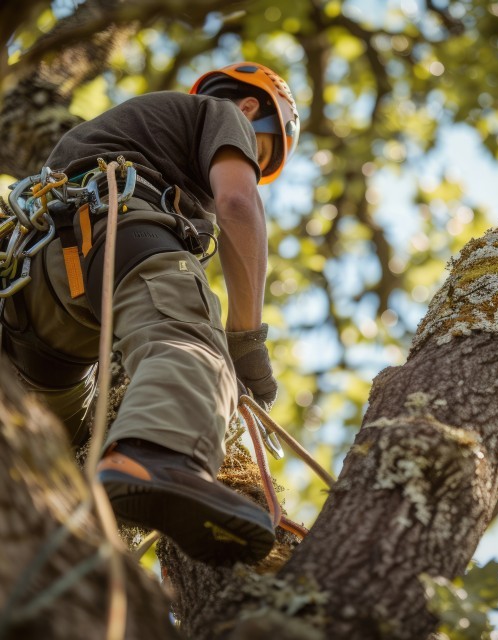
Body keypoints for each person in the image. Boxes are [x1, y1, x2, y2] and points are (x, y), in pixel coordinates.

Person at [1, 62, 300, 564]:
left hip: (32, 289)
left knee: (63, 441)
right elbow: (237, 202)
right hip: (113, 230)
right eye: (260, 151)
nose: (251, 161)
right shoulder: (224, 112)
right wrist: (245, 341)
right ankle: (161, 454)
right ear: (252, 109)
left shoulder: (127, 134)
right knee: (189, 342)